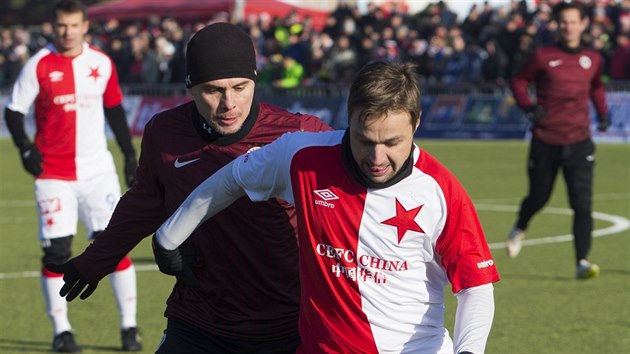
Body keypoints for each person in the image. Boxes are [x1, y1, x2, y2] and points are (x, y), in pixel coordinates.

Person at [150, 61, 500, 354]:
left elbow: (476, 286)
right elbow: (233, 179)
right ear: (349, 118)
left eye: (392, 142)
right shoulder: (303, 157)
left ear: (417, 123)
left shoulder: (441, 190)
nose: (377, 158)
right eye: (365, 140)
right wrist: (168, 237)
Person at [47, 22, 331, 353]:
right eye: (213, 90)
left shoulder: (302, 135)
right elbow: (143, 204)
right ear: (190, 87)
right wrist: (95, 261)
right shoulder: (164, 134)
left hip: (288, 325)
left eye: (240, 87)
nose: (229, 103)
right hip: (199, 320)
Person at [3, 1, 141, 352]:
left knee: (112, 246)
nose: (67, 31)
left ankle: (129, 327)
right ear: (54, 26)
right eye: (62, 25)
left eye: (74, 25)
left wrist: (128, 154)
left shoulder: (101, 63)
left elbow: (114, 111)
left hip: (98, 171)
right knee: (56, 252)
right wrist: (24, 148)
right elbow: (14, 111)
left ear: (84, 27)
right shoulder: (38, 65)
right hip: (53, 174)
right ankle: (62, 331)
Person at [505, 2, 609, 280]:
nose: (568, 27)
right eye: (563, 22)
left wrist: (602, 112)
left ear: (584, 24)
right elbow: (518, 81)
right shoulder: (542, 55)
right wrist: (529, 106)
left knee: (582, 203)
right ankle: (520, 224)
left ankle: (582, 261)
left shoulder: (593, 58)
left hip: (580, 141)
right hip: (546, 139)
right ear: (557, 25)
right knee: (539, 197)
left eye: (573, 22)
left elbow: (597, 85)